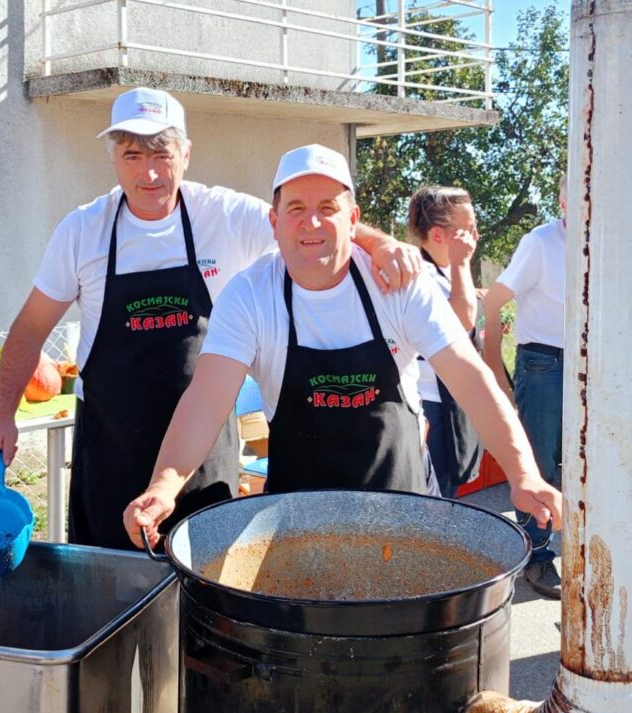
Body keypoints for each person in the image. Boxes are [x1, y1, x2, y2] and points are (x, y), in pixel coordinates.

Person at [0, 88, 421, 550]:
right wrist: (2, 419)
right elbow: (30, 329)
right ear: (113, 159)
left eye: (161, 153)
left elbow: (307, 223)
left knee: (208, 600)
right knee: (112, 602)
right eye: (132, 154)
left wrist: (380, 244)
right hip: (111, 454)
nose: (148, 172)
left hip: (204, 456)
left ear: (185, 155)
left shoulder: (224, 215)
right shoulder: (82, 231)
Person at [123, 145, 561, 550]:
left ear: (353, 220)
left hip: (405, 516)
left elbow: (470, 379)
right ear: (274, 224)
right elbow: (206, 399)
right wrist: (164, 486)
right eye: (296, 209)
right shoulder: (249, 295)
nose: (311, 223)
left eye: (327, 209)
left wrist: (523, 474)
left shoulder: (401, 287)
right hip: (295, 527)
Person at [481, 176, 569, 598]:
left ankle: (571, 546)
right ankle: (536, 557)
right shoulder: (541, 241)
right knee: (538, 465)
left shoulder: (610, 238)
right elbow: (495, 300)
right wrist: (493, 365)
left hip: (591, 362)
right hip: (545, 361)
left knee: (579, 461)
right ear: (564, 199)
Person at [406, 185, 482, 498]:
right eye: (466, 230)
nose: (475, 236)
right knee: (435, 505)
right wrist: (463, 265)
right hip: (430, 407)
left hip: (449, 403)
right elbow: (460, 323)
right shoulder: (421, 277)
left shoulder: (444, 273)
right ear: (438, 235)